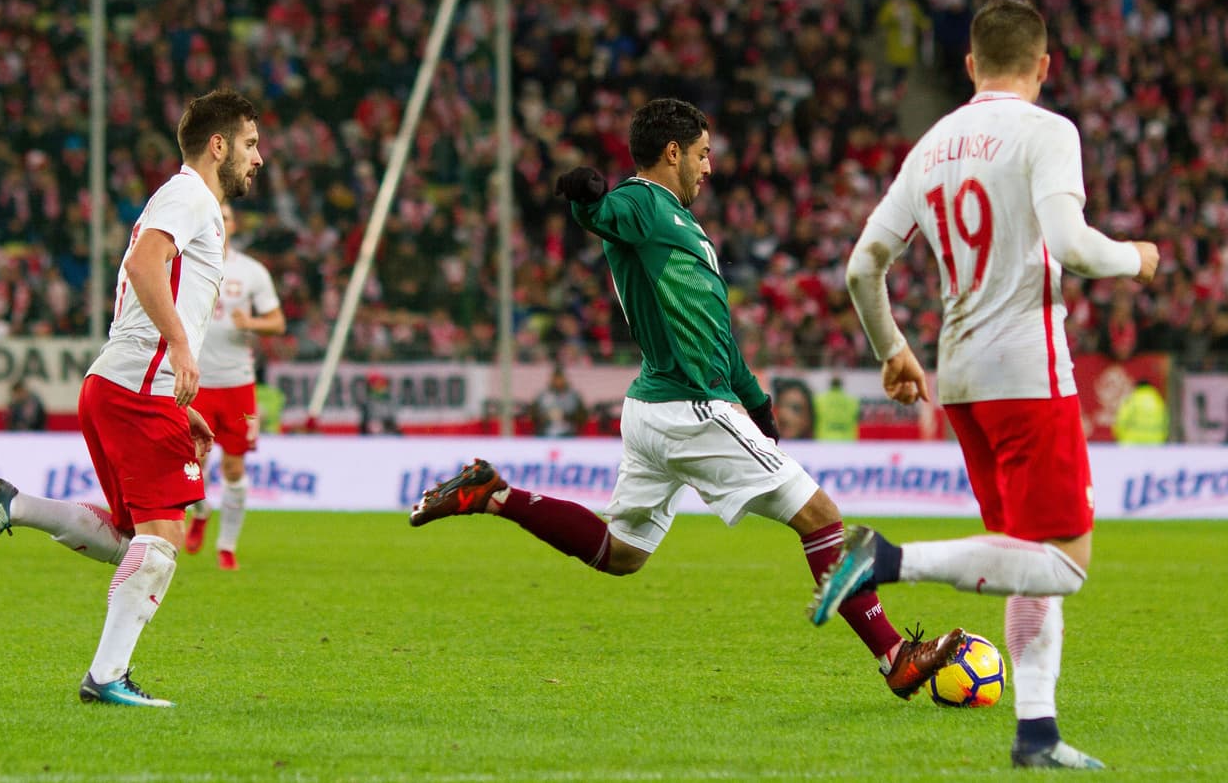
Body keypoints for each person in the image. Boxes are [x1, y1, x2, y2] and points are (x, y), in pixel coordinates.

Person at [410, 97, 963, 700]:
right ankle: (896, 657)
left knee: (621, 552)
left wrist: (754, 399)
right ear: (672, 152)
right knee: (822, 517)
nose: (709, 167)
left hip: (654, 408)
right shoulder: (644, 203)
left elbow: (714, 328)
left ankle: (496, 495)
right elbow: (605, 214)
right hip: (689, 408)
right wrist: (587, 196)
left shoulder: (681, 222)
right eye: (703, 154)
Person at [812, 0, 1160, 769]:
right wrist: (1138, 254)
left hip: (960, 377)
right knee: (1062, 563)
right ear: (1044, 66)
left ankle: (1037, 731)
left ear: (969, 66)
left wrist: (891, 348)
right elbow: (1074, 245)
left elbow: (862, 264)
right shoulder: (1048, 131)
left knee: (1020, 554)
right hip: (1029, 374)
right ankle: (885, 559)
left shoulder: (932, 144)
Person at [0, 89, 263, 707]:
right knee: (163, 540)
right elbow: (148, 268)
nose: (259, 159)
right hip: (135, 388)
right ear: (218, 145)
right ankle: (106, 678)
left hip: (122, 385)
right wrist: (179, 350)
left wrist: (179, 395)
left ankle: (17, 506)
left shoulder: (185, 199)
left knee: (134, 539)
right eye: (251, 144)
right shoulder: (191, 195)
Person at [185, 202, 285, 571]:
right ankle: (200, 510)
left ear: (233, 224)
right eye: (215, 216)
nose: (220, 222)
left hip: (238, 383)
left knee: (232, 467)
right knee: (192, 462)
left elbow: (277, 322)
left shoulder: (252, 271)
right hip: (197, 381)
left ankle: (226, 546)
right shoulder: (187, 262)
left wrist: (253, 324)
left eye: (225, 217)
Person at [530, 366, 588, 437]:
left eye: (560, 378)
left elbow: (583, 416)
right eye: (555, 378)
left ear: (564, 379)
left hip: (568, 433)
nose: (558, 381)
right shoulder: (542, 396)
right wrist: (544, 417)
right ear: (551, 379)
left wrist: (566, 416)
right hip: (545, 432)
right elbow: (533, 415)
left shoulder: (574, 396)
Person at [1112, 379, 1169, 445]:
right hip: (1154, 443)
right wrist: (1161, 438)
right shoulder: (1158, 401)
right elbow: (1165, 422)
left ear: (1137, 387)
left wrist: (1121, 438)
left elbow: (1121, 421)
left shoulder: (1132, 400)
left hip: (1132, 443)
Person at [813, 375, 860, 441]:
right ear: (841, 385)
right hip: (847, 441)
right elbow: (857, 419)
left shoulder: (819, 400)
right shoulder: (852, 401)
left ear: (830, 385)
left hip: (824, 441)